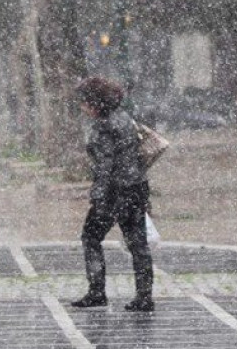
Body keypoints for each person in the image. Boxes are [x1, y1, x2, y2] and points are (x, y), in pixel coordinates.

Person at [69, 76, 155, 313]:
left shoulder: (104, 126)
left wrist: (97, 196)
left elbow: (105, 167)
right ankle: (145, 296)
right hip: (136, 187)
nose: (81, 107)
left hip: (114, 192)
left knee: (91, 237)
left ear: (95, 103)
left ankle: (97, 291)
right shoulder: (125, 119)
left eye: (84, 102)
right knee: (138, 243)